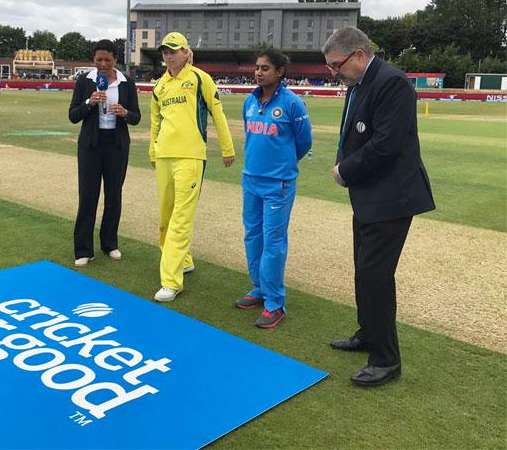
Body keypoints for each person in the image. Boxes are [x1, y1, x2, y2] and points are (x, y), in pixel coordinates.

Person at [322, 27, 435, 387]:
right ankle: (368, 334)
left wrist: (345, 169)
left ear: (357, 54)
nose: (334, 73)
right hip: (369, 195)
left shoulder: (392, 83)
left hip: (392, 198)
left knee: (375, 276)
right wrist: (345, 164)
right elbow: (351, 134)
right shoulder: (359, 83)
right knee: (363, 271)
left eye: (336, 65)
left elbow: (386, 144)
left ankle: (386, 360)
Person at [149, 32, 235, 302]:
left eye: (173, 50)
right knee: (166, 218)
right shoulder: (159, 86)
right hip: (164, 156)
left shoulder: (200, 78)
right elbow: (155, 123)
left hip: (190, 157)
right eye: (165, 51)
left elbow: (217, 113)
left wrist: (227, 148)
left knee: (181, 219)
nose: (168, 55)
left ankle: (171, 281)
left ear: (186, 52)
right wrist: (153, 151)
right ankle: (184, 260)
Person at [236, 49, 312, 328]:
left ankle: (275, 303)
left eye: (265, 68)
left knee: (273, 242)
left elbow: (303, 143)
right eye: (257, 68)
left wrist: (281, 167)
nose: (258, 72)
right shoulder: (249, 101)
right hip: (251, 179)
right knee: (252, 236)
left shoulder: (293, 104)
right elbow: (250, 134)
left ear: (280, 72)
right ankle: (259, 288)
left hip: (278, 184)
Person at [68, 39, 141, 267]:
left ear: (115, 60)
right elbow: (73, 115)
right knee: (88, 197)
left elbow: (136, 117)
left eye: (107, 60)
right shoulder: (85, 81)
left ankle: (110, 243)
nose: (102, 64)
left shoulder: (126, 82)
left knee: (113, 196)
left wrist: (124, 112)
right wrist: (89, 102)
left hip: (116, 146)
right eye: (98, 59)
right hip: (91, 146)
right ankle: (83, 249)